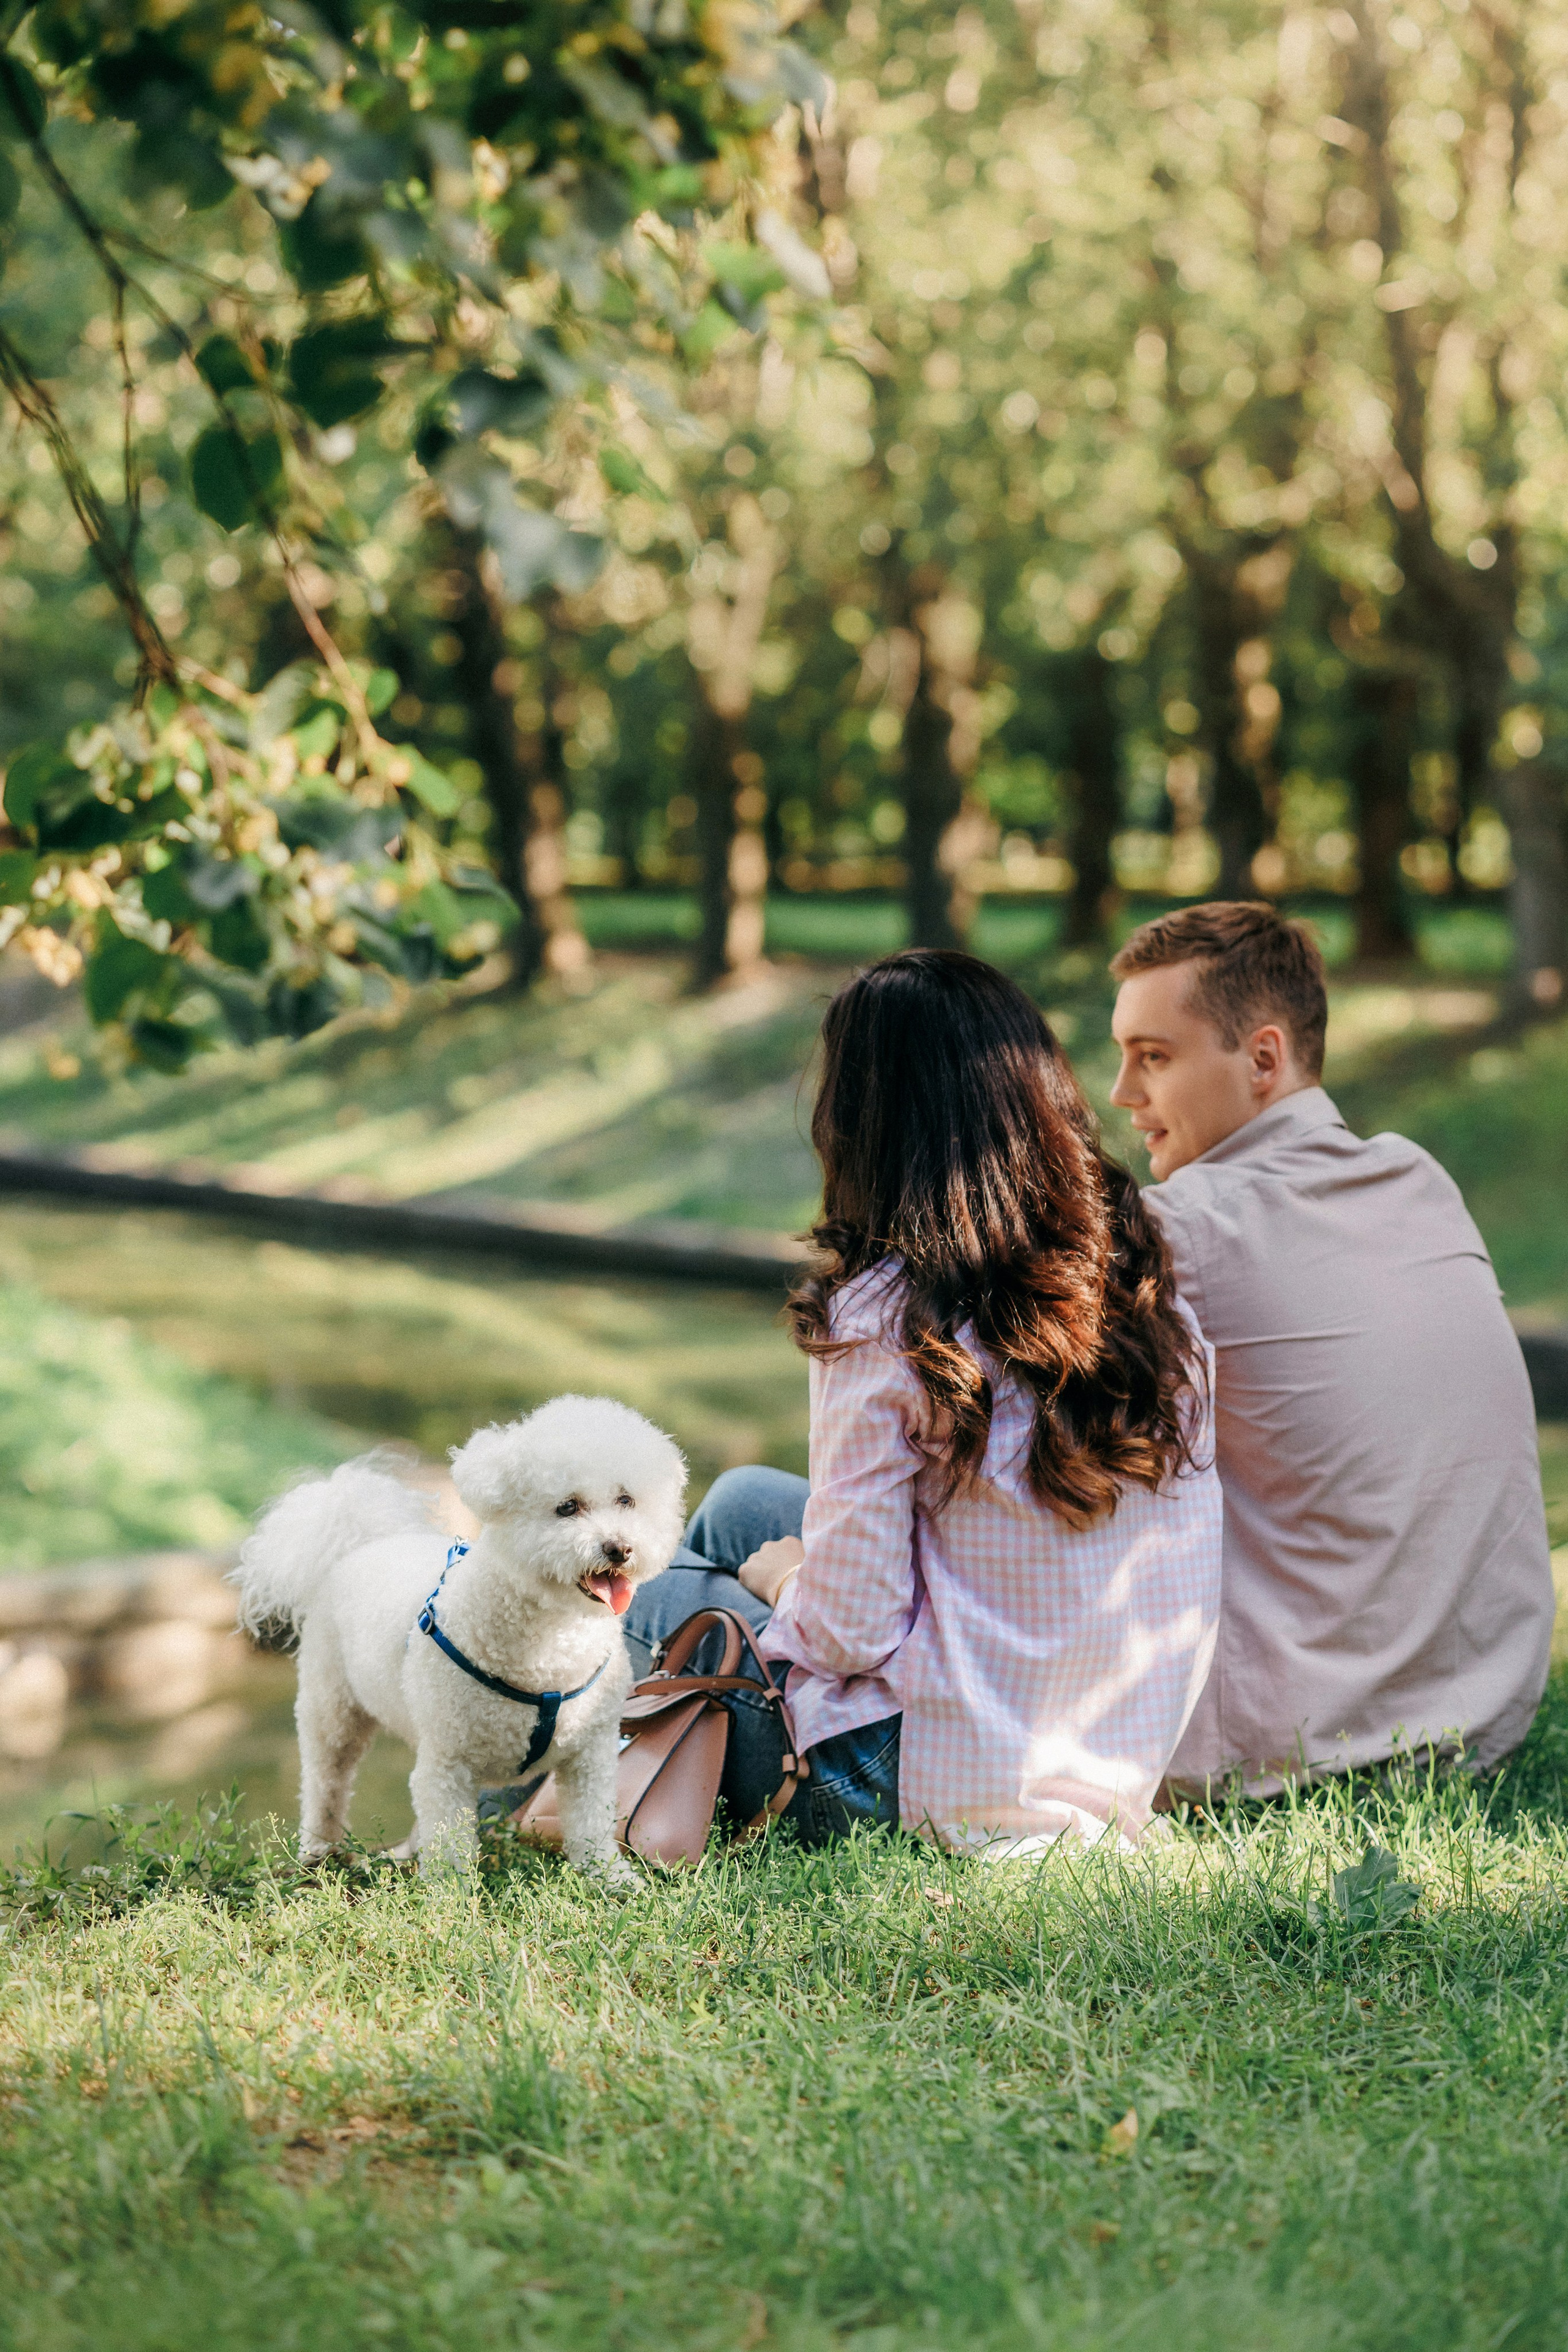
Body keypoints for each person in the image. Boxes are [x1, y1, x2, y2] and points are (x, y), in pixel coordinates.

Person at [623, 949, 1223, 1855]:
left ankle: (551, 1809)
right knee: (746, 1495)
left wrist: (785, 1579)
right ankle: (649, 1783)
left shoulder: (886, 1319)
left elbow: (848, 1633)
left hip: (916, 1780)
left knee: (655, 1597)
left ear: (865, 1120)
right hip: (1103, 1750)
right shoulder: (1136, 1276)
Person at [1107, 900, 1553, 1796]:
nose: (1123, 1094)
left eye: (1153, 1057)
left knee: (760, 1512)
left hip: (1298, 1751)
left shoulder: (1187, 1227)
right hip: (1479, 1725)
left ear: (1263, 1058)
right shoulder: (1420, 1181)